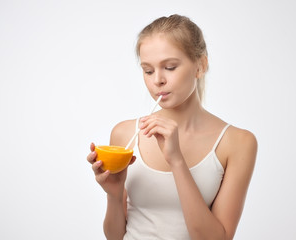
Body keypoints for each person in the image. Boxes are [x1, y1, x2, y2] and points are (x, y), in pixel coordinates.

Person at [87, 14, 257, 240]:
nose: (157, 80)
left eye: (169, 67)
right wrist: (115, 195)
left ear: (200, 65)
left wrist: (177, 160)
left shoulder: (237, 143)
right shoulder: (125, 134)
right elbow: (115, 237)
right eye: (148, 71)